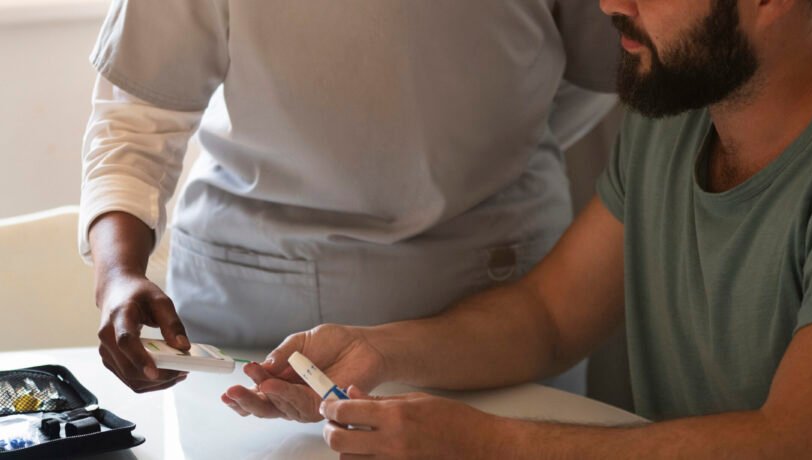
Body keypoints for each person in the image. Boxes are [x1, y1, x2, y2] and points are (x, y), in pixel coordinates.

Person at [222, 0, 812, 458]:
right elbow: (548, 317)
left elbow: (799, 446)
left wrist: (481, 446)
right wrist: (373, 350)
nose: (611, 4)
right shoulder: (679, 111)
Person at [80, 1, 619, 394]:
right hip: (247, 314)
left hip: (493, 315)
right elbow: (136, 119)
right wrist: (117, 273)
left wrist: (480, 145)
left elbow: (611, 69)